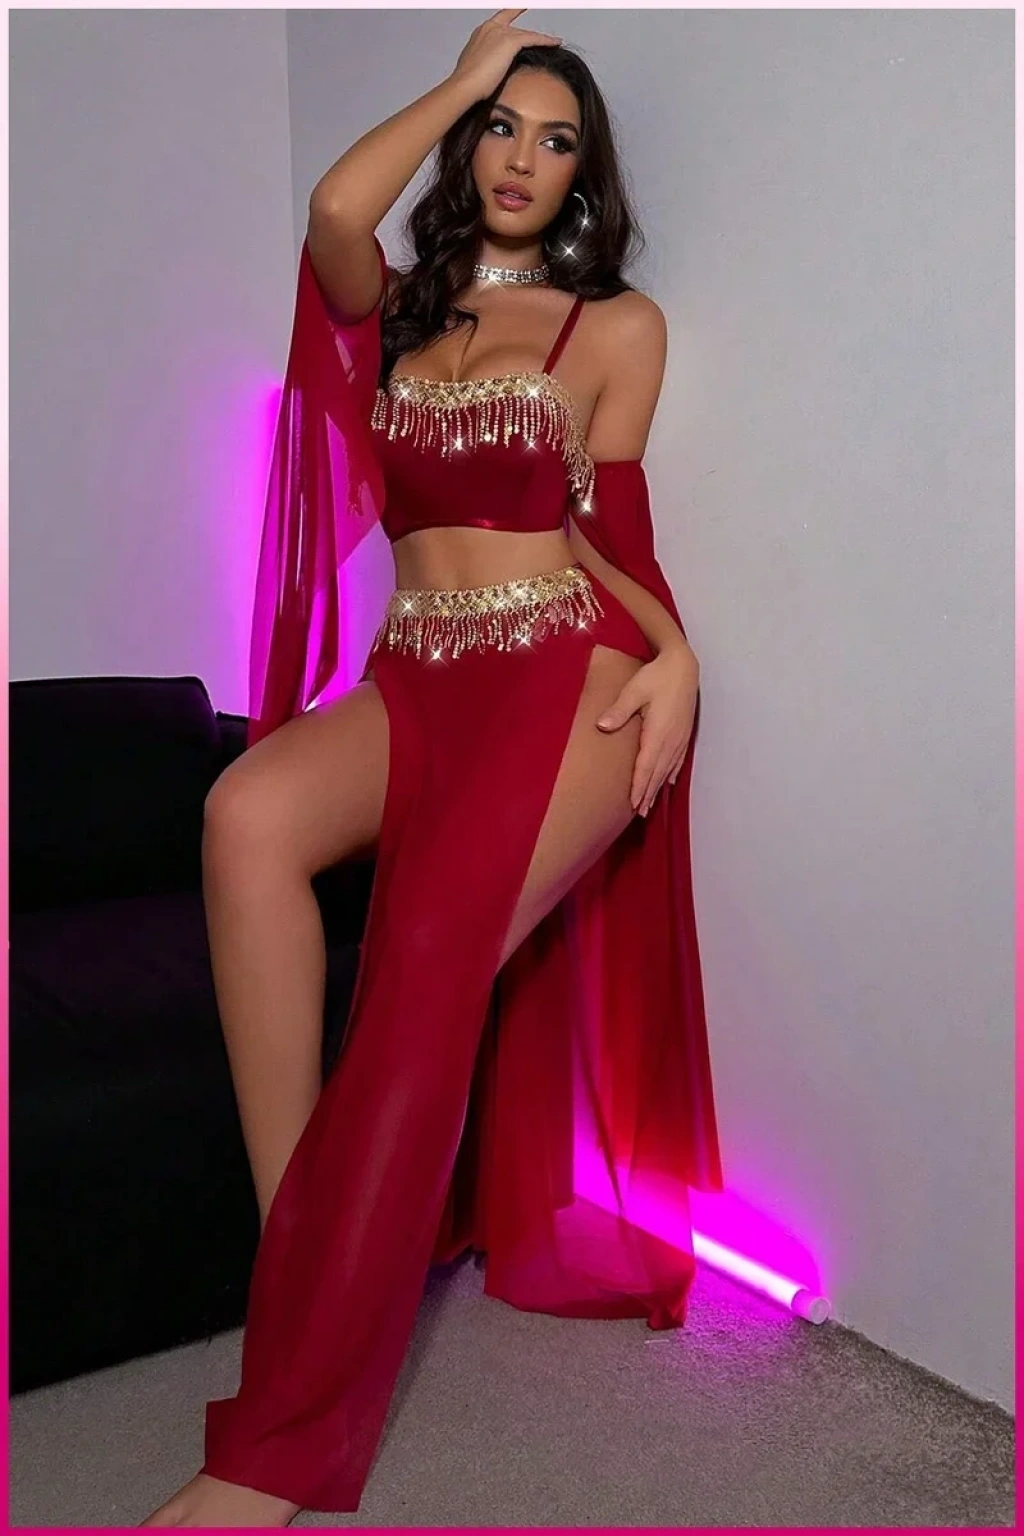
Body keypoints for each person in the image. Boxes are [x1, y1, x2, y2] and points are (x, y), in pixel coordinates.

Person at [142, 10, 724, 1527]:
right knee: (244, 814)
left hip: (569, 669)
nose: (523, 157)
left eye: (556, 139)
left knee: (420, 963)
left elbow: (606, 535)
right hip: (418, 669)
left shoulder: (615, 329)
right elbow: (338, 209)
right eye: (501, 128)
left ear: (587, 174)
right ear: (466, 145)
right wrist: (464, 73)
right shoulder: (398, 311)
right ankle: (311, 1250)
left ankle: (274, 1454)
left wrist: (679, 657)